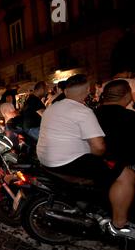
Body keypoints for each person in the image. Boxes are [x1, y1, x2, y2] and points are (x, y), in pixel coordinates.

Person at [37, 74, 135, 239]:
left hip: (46, 159)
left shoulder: (52, 107)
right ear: (87, 92)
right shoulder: (83, 111)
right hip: (67, 162)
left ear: (66, 91)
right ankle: (119, 225)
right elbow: (99, 147)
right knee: (126, 176)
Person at [95, 80, 135, 237]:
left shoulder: (92, 114)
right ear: (126, 95)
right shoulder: (130, 117)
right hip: (120, 166)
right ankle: (120, 224)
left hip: (97, 162)